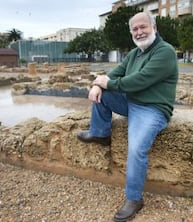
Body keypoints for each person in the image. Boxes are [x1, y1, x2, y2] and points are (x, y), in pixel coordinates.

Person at [77, 12, 179, 221]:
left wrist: (107, 83)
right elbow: (115, 73)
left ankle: (134, 199)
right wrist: (98, 84)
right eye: (135, 29)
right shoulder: (135, 53)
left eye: (143, 27)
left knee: (136, 148)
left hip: (152, 109)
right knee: (101, 95)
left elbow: (139, 81)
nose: (139, 32)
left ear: (154, 28)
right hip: (131, 102)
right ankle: (100, 132)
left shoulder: (165, 52)